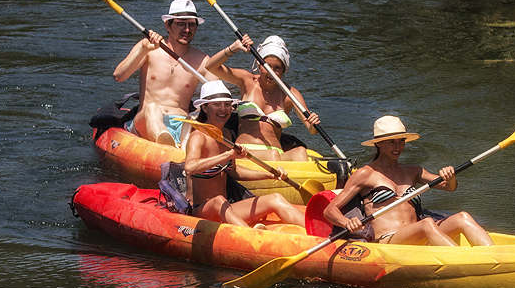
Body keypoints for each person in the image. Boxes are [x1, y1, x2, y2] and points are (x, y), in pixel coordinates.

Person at [322, 115, 494, 247]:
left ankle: (494, 256)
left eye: (401, 141)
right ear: (378, 144)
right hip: (388, 241)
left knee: (462, 217)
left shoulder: (413, 171)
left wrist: (450, 176)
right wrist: (347, 222)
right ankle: (463, 260)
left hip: (419, 236)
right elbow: (330, 211)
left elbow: (450, 187)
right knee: (426, 224)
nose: (397, 147)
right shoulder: (366, 174)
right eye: (391, 142)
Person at [182, 81, 306, 228]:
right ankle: (252, 236)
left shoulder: (226, 134)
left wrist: (269, 174)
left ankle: (321, 232)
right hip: (201, 210)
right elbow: (189, 167)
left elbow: (234, 172)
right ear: (204, 107)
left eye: (227, 104)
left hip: (226, 208)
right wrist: (228, 155)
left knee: (275, 198)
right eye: (217, 104)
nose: (223, 109)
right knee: (218, 201)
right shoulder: (198, 136)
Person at [113, 0, 217, 146]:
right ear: (168, 25)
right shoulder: (148, 48)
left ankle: (183, 149)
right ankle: (166, 143)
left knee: (196, 117)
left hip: (181, 123)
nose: (186, 30)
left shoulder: (202, 60)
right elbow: (119, 76)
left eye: (191, 25)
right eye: (181, 24)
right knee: (152, 109)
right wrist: (143, 49)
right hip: (147, 120)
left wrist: (232, 49)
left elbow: (219, 94)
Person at [202, 33, 321, 161]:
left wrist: (313, 124)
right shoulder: (247, 81)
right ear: (259, 65)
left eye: (277, 68)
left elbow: (312, 130)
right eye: (267, 66)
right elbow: (210, 66)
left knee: (300, 152)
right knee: (273, 155)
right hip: (245, 151)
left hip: (276, 154)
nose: (271, 72)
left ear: (284, 70)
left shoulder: (290, 94)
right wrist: (234, 47)